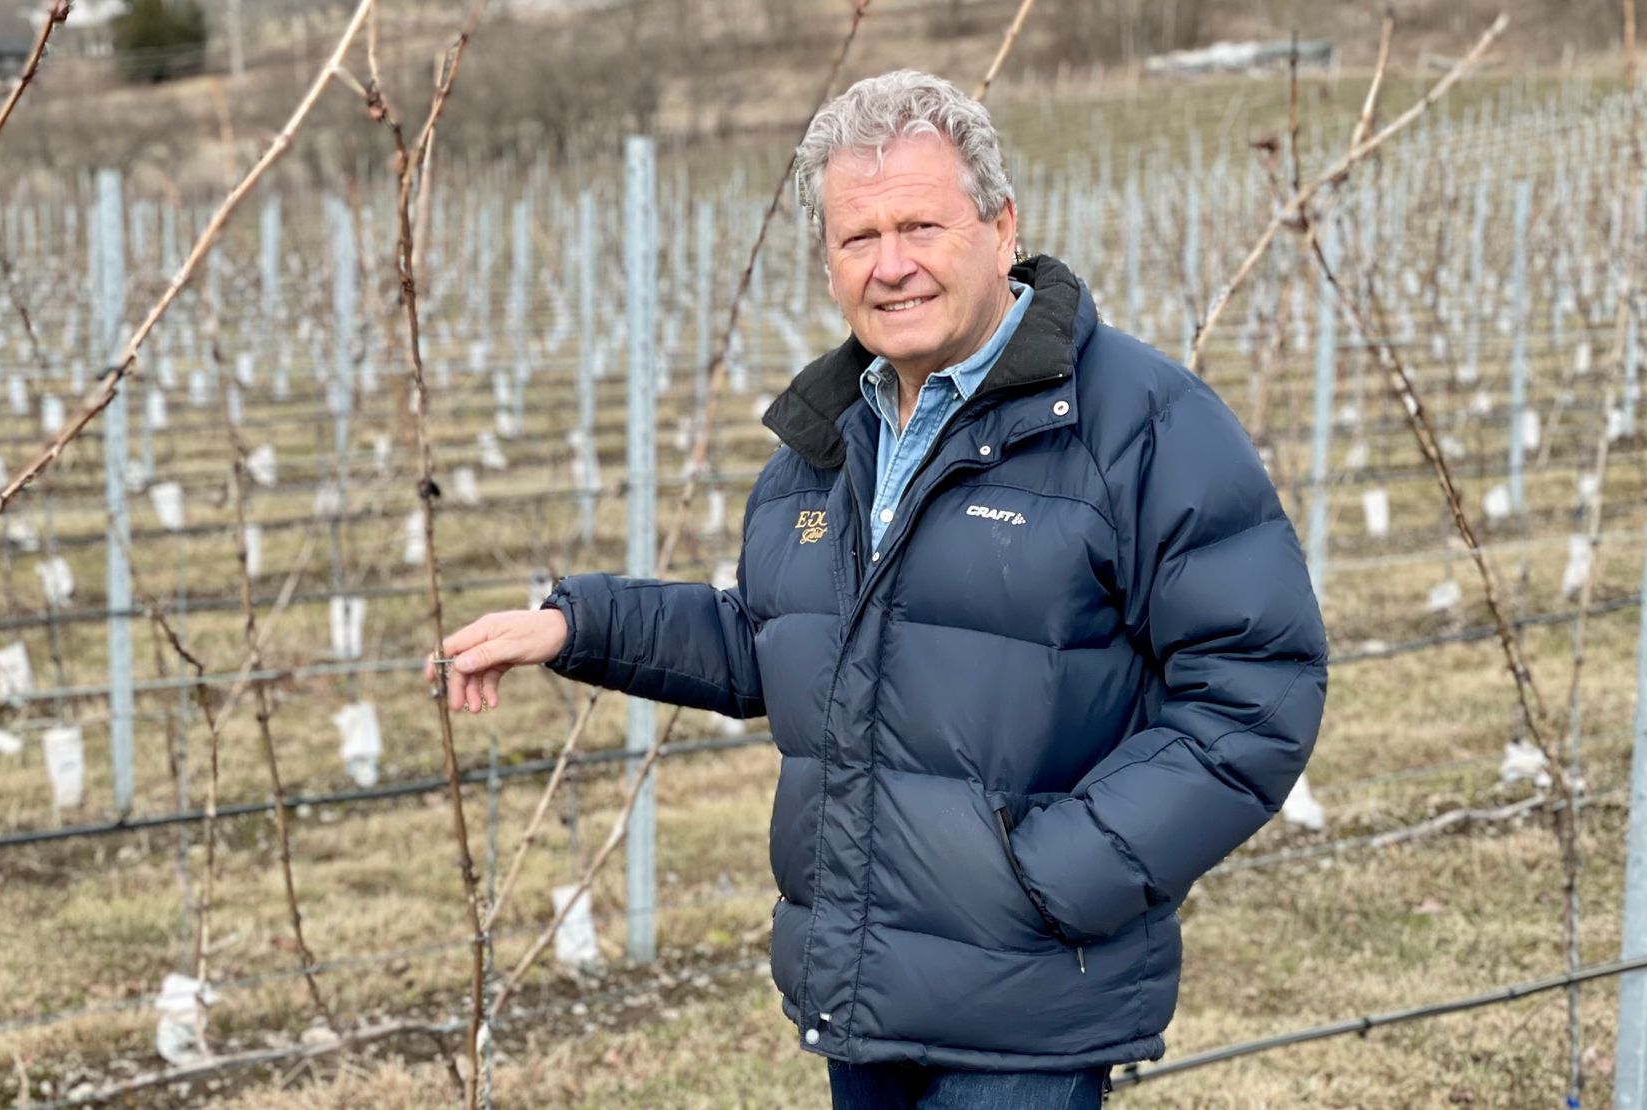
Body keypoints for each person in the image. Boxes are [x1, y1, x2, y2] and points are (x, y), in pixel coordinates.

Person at [434, 69, 1326, 1110]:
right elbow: (775, 640)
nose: (890, 265)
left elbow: (1255, 688)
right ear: (826, 262)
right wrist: (572, 624)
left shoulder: (1140, 424)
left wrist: (1052, 875)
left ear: (1000, 227)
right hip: (860, 988)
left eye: (919, 224)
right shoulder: (829, 438)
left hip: (1024, 1007)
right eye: (857, 238)